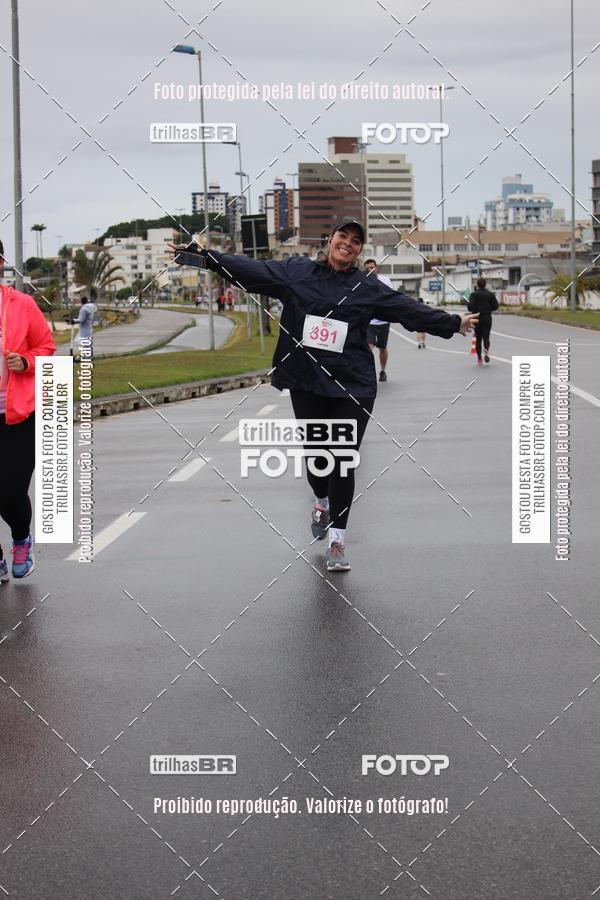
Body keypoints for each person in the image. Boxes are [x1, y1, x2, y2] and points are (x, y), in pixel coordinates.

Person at [173, 218, 478, 572]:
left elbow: (406, 309)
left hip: (353, 384)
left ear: (360, 250)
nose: (347, 243)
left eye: (355, 241)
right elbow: (252, 270)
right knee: (318, 459)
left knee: (342, 459)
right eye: (342, 237)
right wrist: (204, 258)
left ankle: (337, 541)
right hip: (307, 379)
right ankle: (321, 500)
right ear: (329, 239)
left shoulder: (367, 286)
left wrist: (452, 323)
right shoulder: (297, 273)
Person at [0, 239, 56, 581]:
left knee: (8, 488)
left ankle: (21, 538)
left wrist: (26, 361)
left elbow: (47, 347)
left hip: (18, 413)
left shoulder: (21, 305)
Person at [364, 259, 393, 381]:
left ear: (376, 268)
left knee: (382, 347)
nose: (370, 270)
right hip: (369, 321)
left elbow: (391, 296)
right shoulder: (362, 281)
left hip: (383, 321)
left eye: (372, 267)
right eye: (368, 268)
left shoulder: (385, 280)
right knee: (368, 346)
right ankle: (368, 372)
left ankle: (382, 371)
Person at [467, 277, 499, 366]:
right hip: (487, 317)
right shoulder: (490, 294)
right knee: (486, 337)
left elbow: (470, 307)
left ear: (477, 285)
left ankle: (479, 359)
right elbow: (496, 306)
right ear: (485, 284)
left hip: (476, 318)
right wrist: (488, 309)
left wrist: (475, 308)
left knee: (478, 339)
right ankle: (486, 349)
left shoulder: (473, 295)